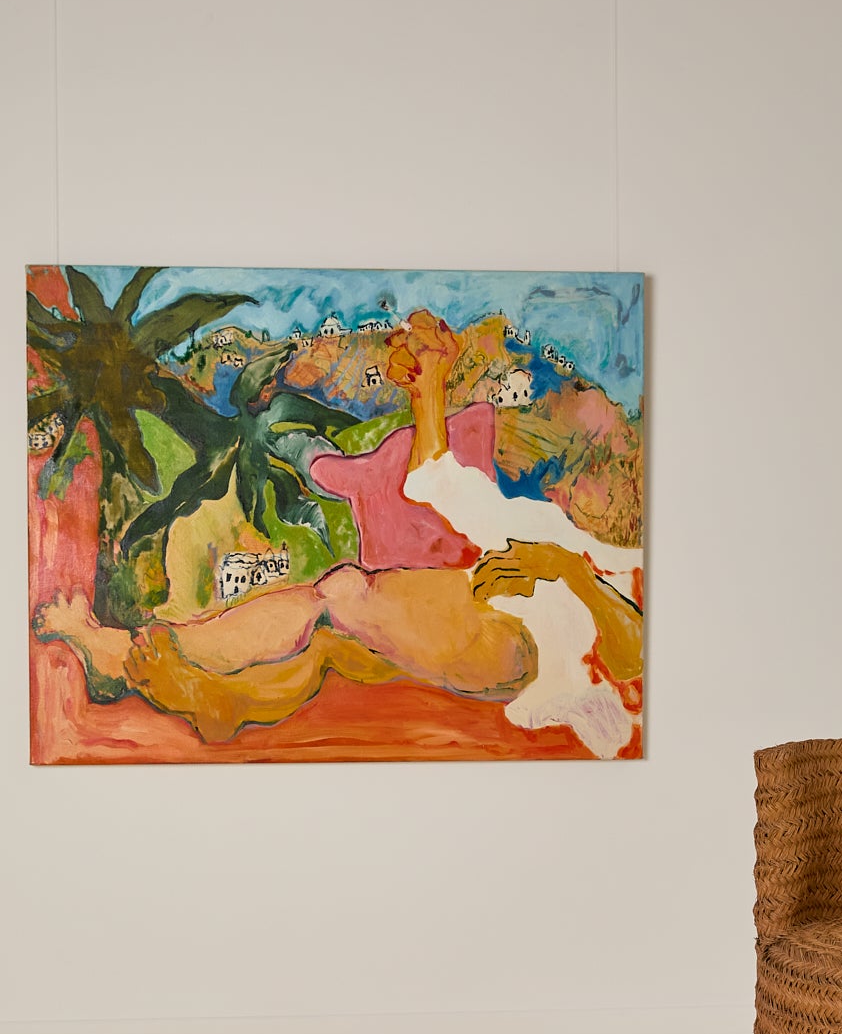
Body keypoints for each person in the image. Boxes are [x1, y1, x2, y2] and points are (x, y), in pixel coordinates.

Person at [35, 312, 643, 757]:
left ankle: (127, 658)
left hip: (524, 639)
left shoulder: (609, 550)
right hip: (488, 613)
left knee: (340, 597)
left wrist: (569, 571)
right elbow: (438, 482)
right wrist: (428, 384)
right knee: (330, 646)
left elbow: (632, 651)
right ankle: (220, 700)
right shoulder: (544, 514)